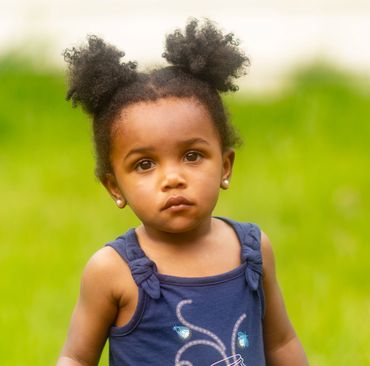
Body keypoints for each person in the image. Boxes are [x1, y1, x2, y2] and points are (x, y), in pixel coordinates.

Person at [57, 19, 308, 366]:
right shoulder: (113, 271)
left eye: (192, 156)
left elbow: (281, 343)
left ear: (225, 166)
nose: (172, 178)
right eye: (145, 164)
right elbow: (76, 358)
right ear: (115, 186)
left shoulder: (252, 250)